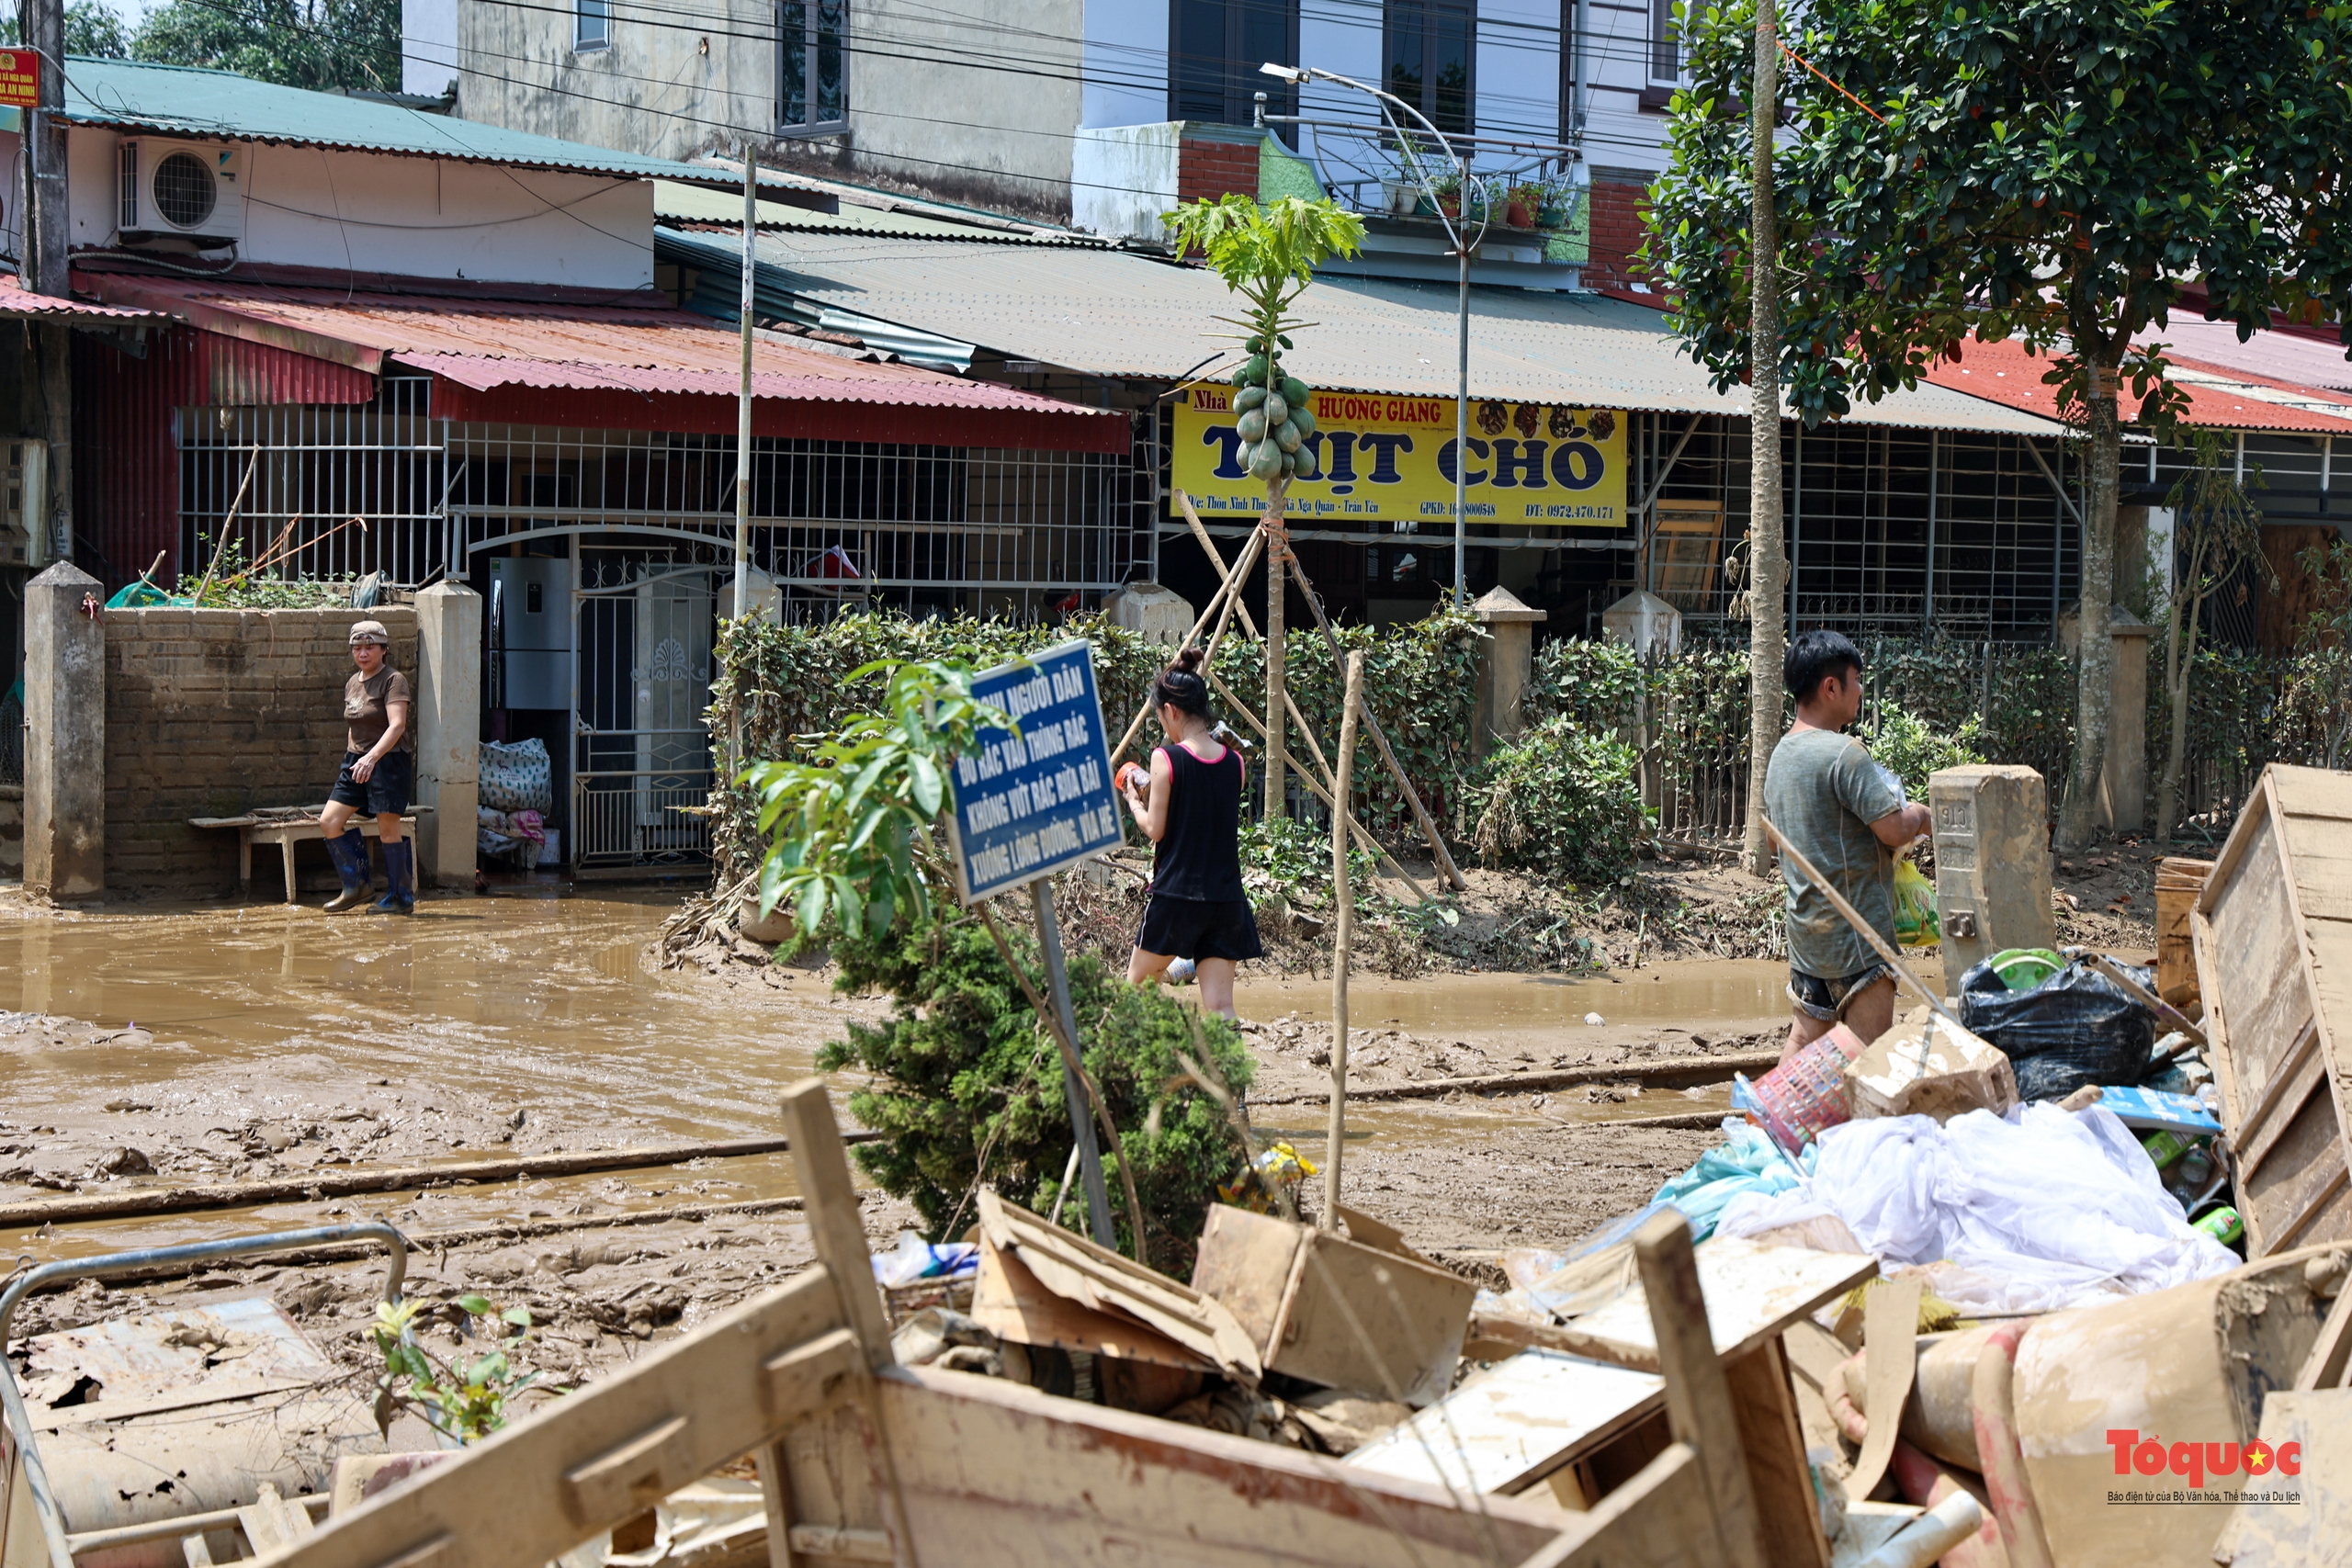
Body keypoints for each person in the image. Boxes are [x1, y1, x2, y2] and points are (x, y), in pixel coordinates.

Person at [1762, 630, 1931, 1054]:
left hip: (1807, 935)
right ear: (1830, 687)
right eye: (1856, 680)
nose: (1860, 690)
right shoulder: (1844, 754)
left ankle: (1768, 1117)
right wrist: (1922, 816)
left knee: (1804, 1037)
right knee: (1867, 1052)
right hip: (1858, 938)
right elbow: (1893, 829)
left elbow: (1773, 845)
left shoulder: (1780, 756)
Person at [1121, 648, 1261, 1020]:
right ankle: (1233, 1079)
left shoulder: (1165, 759)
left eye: (1161, 716)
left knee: (1135, 986)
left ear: (1172, 711)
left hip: (1177, 896)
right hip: (1225, 899)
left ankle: (1140, 1069)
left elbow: (1155, 829)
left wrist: (1133, 801)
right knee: (1220, 1006)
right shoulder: (1236, 763)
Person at [319, 619, 416, 915]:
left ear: (383, 650)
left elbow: (397, 725)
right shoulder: (353, 682)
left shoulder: (393, 680)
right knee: (329, 821)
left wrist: (372, 757)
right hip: (356, 762)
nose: (362, 653)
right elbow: (354, 725)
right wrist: (354, 758)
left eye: (369, 647)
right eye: (357, 647)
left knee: (388, 829)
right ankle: (357, 886)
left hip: (388, 762)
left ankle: (400, 898)